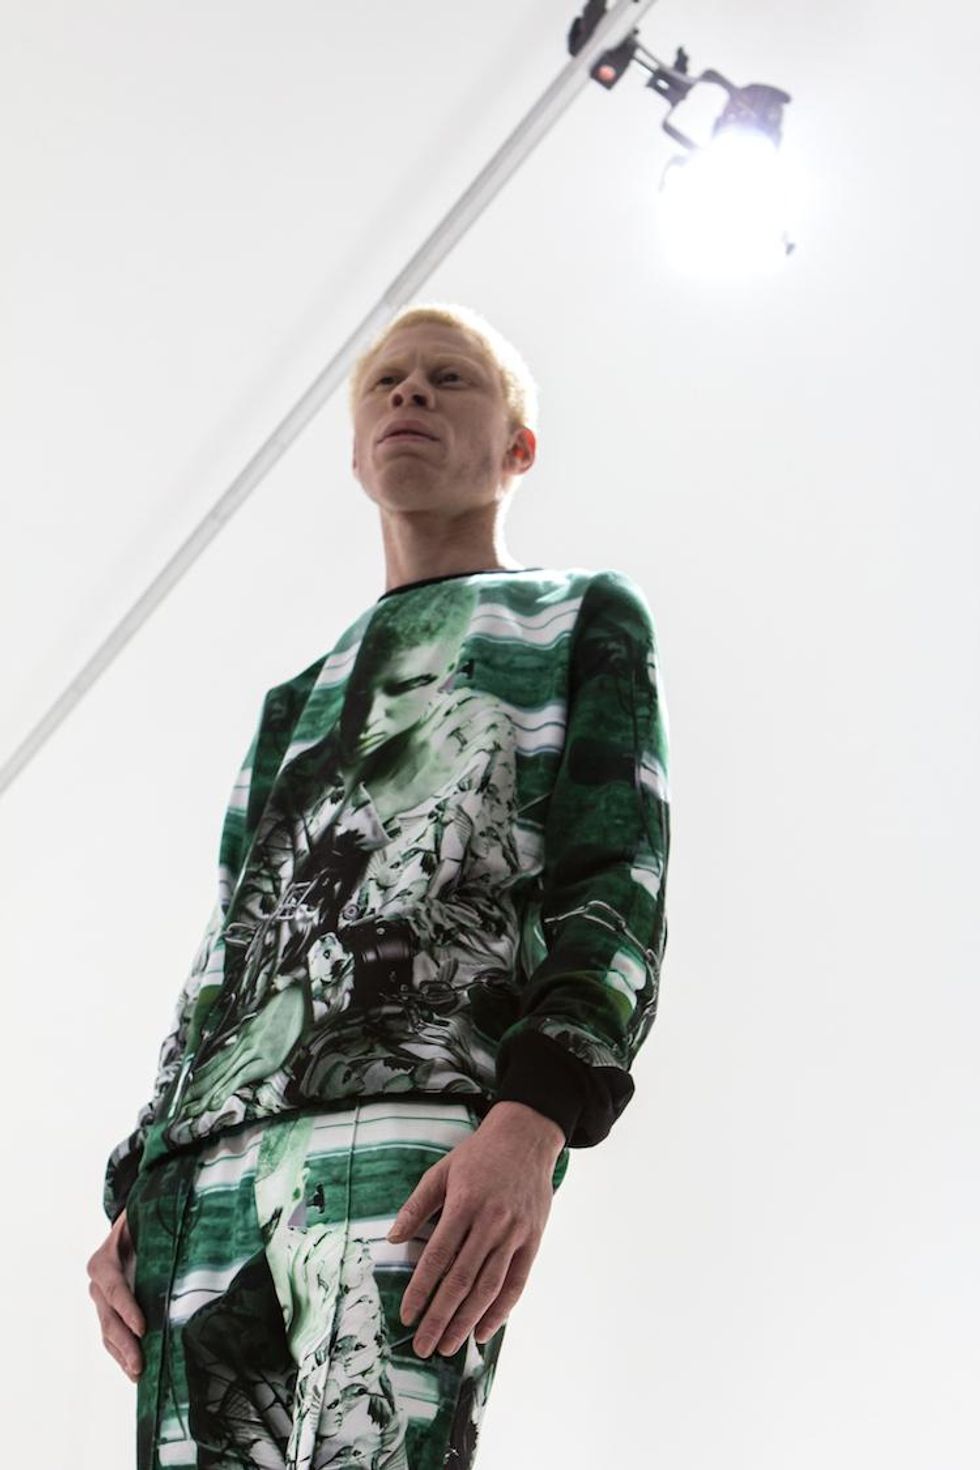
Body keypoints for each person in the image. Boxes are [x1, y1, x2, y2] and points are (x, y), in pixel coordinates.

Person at [87, 300, 671, 1469]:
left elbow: (614, 878)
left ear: (516, 446)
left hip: (414, 1122)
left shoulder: (573, 617)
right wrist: (136, 1180)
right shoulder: (291, 706)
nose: (410, 392)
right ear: (356, 452)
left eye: (449, 378)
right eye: (386, 382)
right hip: (203, 1169)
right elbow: (227, 954)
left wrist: (531, 1121)